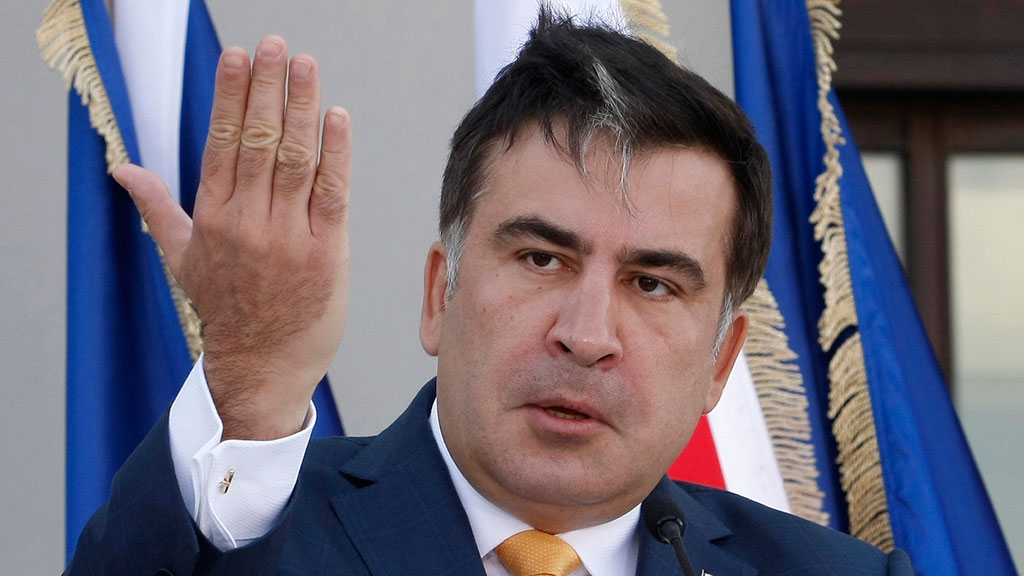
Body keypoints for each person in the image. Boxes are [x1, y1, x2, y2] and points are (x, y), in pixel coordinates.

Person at [67, 10, 912, 575]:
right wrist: (251, 379)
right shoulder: (252, 535)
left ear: (721, 362)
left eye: (653, 283)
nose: (587, 334)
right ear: (442, 292)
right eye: (542, 259)